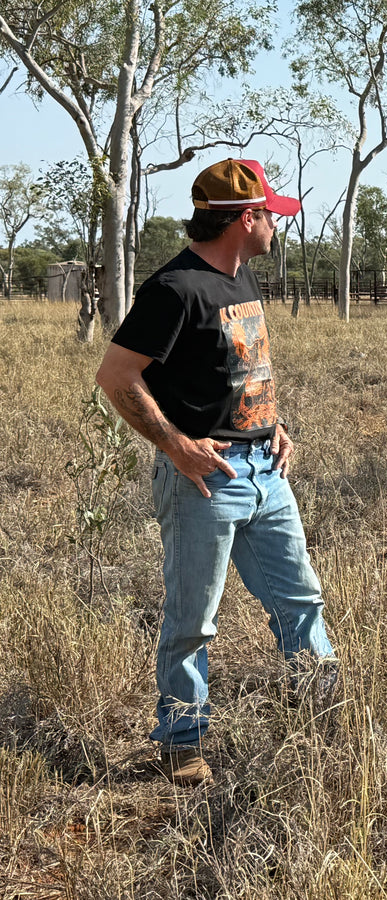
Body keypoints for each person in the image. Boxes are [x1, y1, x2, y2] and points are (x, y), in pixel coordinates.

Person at [96, 158, 335, 785]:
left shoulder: (240, 279)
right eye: (269, 215)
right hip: (206, 480)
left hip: (266, 471)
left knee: (301, 602)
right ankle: (182, 743)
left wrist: (271, 425)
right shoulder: (174, 290)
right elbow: (116, 376)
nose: (276, 226)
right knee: (192, 622)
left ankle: (323, 719)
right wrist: (175, 444)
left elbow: (236, 373)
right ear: (244, 218)